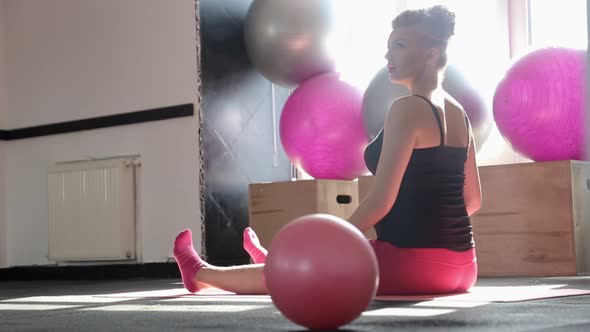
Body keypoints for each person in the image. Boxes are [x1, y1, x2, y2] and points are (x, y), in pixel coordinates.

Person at [173, 5, 482, 296]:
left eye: (399, 45)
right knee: (318, 260)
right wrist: (429, 232)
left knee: (296, 271)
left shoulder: (408, 108)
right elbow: (472, 200)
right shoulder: (460, 114)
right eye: (389, 46)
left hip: (415, 268)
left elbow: (381, 202)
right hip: (465, 267)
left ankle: (199, 274)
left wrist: (332, 240)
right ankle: (268, 260)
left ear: (431, 53)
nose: (388, 54)